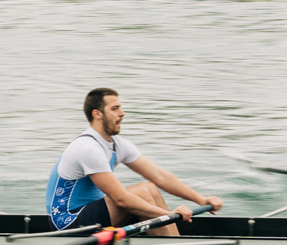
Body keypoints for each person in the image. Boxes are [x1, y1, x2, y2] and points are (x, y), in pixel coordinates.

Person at [46, 88, 224, 236]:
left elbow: (160, 176)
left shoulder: (116, 144)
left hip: (92, 214)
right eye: (115, 108)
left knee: (149, 187)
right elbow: (120, 199)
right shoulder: (88, 148)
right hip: (67, 223)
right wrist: (169, 214)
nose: (122, 113)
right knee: (140, 193)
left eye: (120, 108)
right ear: (97, 114)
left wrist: (201, 199)